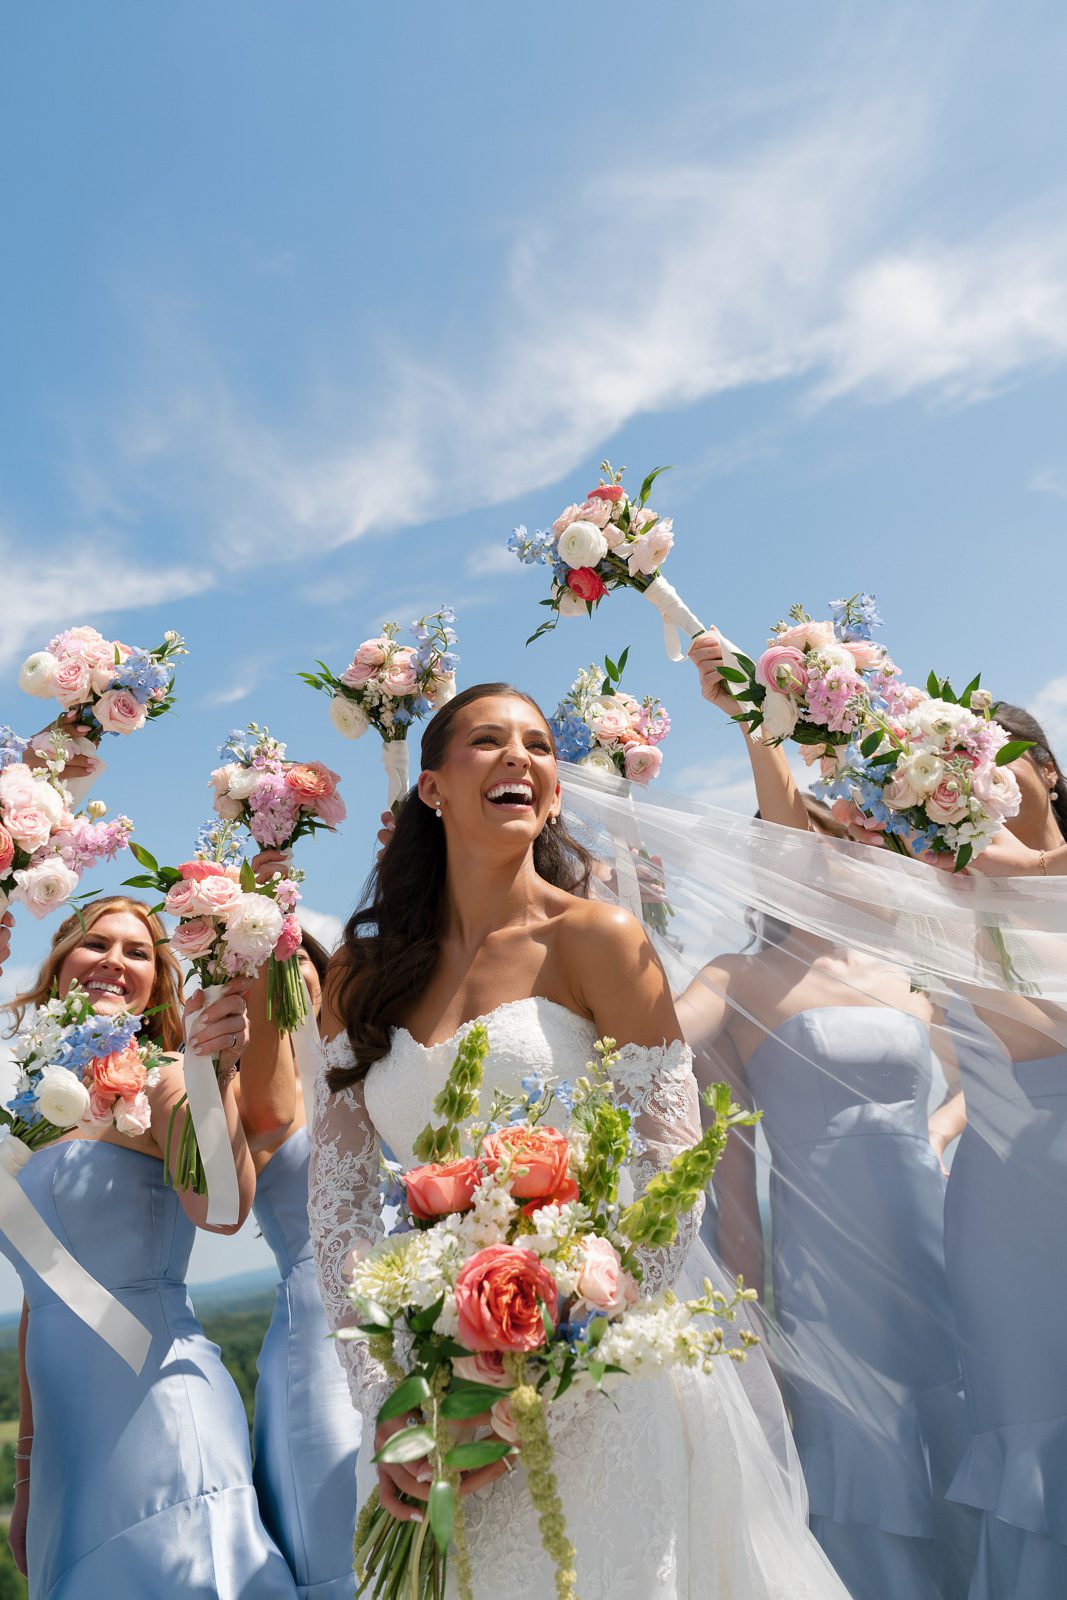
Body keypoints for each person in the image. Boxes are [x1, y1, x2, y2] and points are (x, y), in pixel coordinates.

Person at [310, 681, 853, 1599]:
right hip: (433, 1390)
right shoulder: (361, 972)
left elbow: (670, 1172)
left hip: (602, 1376)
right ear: (432, 788)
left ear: (554, 793)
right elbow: (337, 1203)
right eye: (487, 740)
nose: (520, 756)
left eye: (537, 746)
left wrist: (542, 1363)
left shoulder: (598, 938)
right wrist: (392, 1401)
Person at [671, 631, 975, 1600]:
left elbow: (973, 1082)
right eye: (820, 839)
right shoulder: (741, 977)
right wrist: (757, 720)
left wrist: (934, 1133)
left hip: (936, 1234)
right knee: (863, 1453)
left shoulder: (903, 971)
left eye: (857, 838)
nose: (843, 849)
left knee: (959, 1420)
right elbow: (716, 1139)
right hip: (822, 1261)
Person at [0, 896, 299, 1598]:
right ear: (59, 964)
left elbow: (220, 1211)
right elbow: (43, 1302)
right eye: (94, 943)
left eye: (138, 952)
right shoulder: (21, 1102)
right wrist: (26, 1471)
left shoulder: (165, 1079)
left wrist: (210, 1074)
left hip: (159, 1405)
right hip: (64, 1452)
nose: (113, 961)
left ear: (157, 983)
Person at [925, 705, 1067, 1599]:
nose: (971, 770)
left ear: (1047, 770)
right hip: (1002, 1202)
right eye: (949, 757)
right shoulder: (934, 899)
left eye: (990, 752)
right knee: (1028, 1418)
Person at [237, 905, 361, 1600]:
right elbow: (271, 1116)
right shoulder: (256, 1094)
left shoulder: (385, 1068)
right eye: (271, 964)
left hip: (425, 1313)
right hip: (319, 1346)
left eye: (299, 955)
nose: (291, 971)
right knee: (341, 1547)